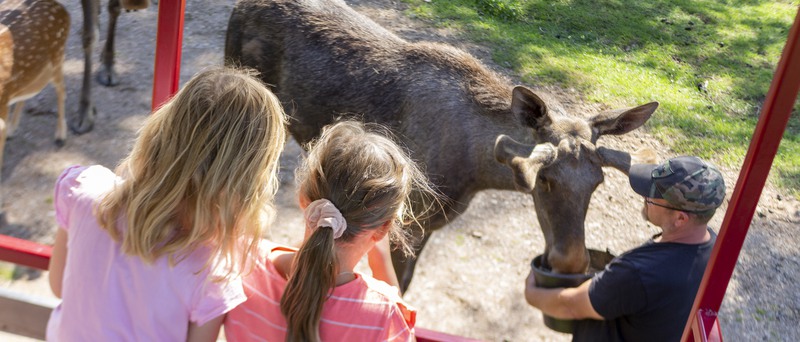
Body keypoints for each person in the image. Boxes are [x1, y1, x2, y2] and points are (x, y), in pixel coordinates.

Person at [47, 67, 287, 341]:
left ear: (163, 126)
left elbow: (57, 286)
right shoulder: (210, 272)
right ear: (248, 179)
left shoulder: (82, 189)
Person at [224, 121, 439, 342]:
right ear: (383, 229)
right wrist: (381, 264)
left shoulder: (241, 259)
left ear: (302, 199)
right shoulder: (384, 315)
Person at [524, 156, 727, 342]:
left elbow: (570, 307)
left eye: (651, 196)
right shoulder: (714, 247)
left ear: (680, 218)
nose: (644, 198)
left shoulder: (638, 273)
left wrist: (531, 291)